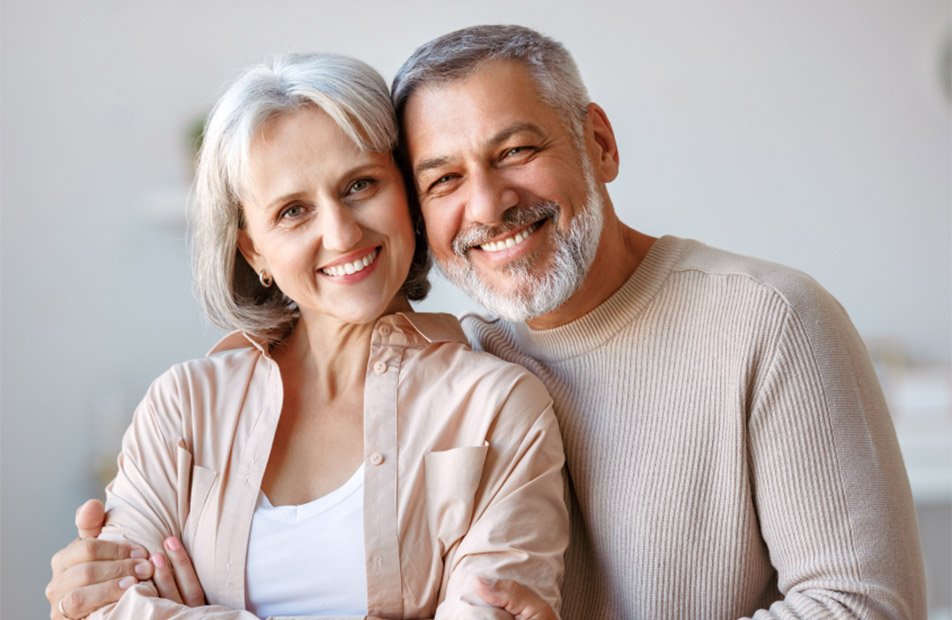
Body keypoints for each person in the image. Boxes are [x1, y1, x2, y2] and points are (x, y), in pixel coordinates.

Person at [48, 24, 927, 620]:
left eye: (516, 152)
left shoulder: (766, 321)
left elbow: (861, 606)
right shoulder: (473, 348)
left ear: (601, 144)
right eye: (443, 177)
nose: (489, 204)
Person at [45, 51, 568, 620]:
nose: (341, 233)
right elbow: (100, 610)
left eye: (360, 185)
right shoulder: (183, 408)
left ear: (408, 198)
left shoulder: (497, 407)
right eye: (293, 211)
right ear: (254, 251)